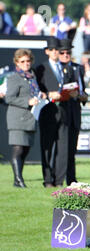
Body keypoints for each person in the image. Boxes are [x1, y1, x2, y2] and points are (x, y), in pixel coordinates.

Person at [5, 49, 45, 188]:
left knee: (25, 150)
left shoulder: (32, 77)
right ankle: (19, 180)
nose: (26, 64)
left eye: (28, 61)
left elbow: (34, 94)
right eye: (22, 61)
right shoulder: (14, 78)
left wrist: (41, 96)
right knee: (18, 149)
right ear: (17, 63)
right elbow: (9, 98)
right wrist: (27, 101)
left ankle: (17, 181)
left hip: (30, 118)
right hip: (17, 118)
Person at [35, 37, 68, 188]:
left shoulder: (65, 67)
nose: (55, 52)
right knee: (47, 146)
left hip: (63, 110)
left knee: (63, 147)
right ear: (47, 51)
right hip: (48, 110)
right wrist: (48, 94)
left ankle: (59, 180)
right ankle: (48, 179)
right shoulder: (40, 68)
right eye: (52, 50)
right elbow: (36, 90)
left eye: (57, 50)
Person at [58, 39, 88, 185]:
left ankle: (71, 178)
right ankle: (57, 178)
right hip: (60, 112)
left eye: (68, 52)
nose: (65, 55)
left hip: (75, 111)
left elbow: (84, 93)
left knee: (71, 150)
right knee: (60, 149)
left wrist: (81, 96)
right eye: (62, 53)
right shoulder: (56, 68)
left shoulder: (78, 68)